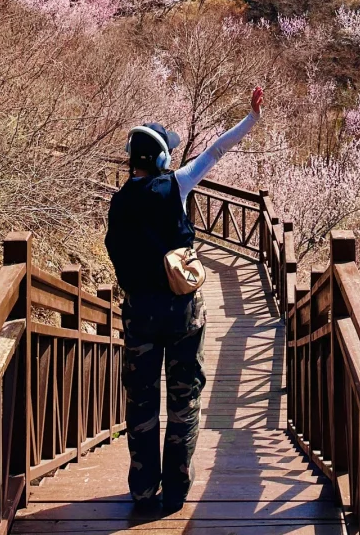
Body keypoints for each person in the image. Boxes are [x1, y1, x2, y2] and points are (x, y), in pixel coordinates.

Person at [105, 86, 264, 518]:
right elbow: (216, 151)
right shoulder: (176, 185)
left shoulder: (117, 204)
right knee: (183, 399)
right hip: (182, 313)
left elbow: (116, 252)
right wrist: (250, 119)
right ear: (159, 159)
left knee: (140, 402)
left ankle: (142, 490)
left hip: (138, 313)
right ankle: (175, 491)